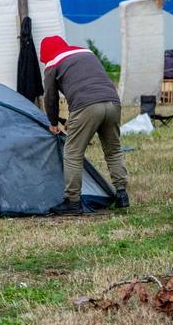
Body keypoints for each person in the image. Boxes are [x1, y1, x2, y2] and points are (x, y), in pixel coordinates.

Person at [41, 35, 129, 216]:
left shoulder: (52, 63)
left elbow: (50, 97)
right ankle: (122, 194)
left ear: (46, 54)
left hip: (86, 106)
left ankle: (72, 201)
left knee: (73, 152)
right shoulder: (85, 52)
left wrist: (52, 122)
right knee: (113, 149)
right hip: (112, 102)